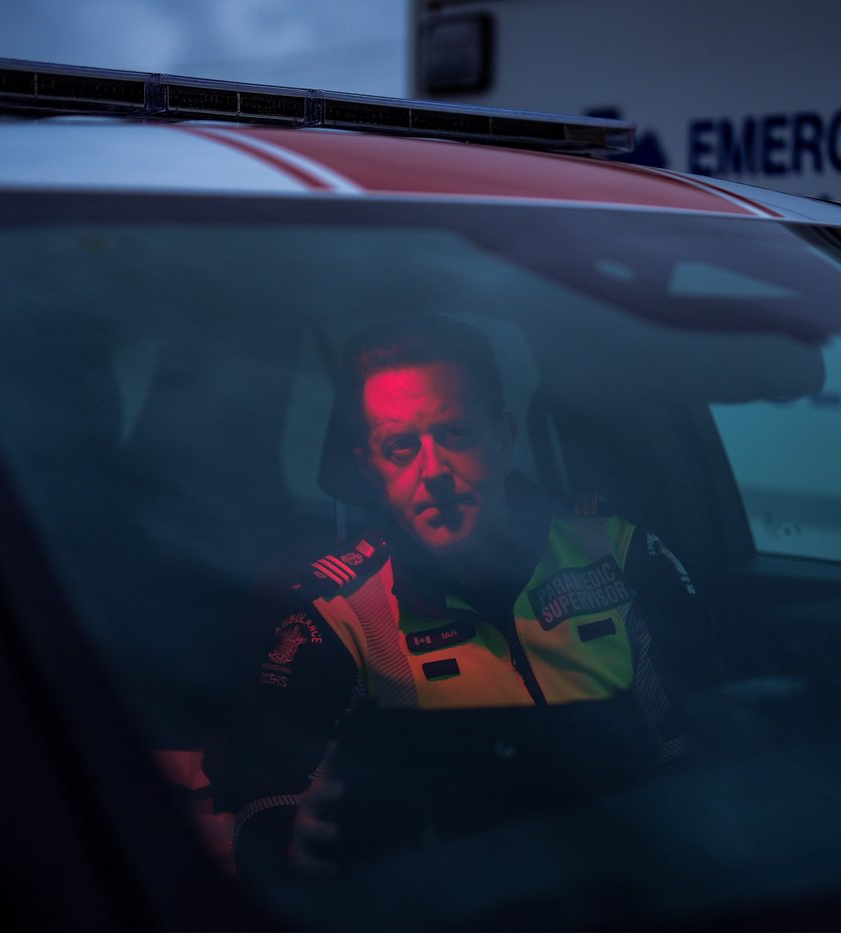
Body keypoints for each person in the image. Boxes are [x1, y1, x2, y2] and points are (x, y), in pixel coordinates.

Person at [211, 316, 724, 878]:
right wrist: (296, 838)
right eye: (401, 447)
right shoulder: (330, 614)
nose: (433, 472)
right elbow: (256, 802)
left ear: (503, 439)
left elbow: (710, 742)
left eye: (454, 434)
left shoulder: (622, 556)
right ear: (371, 468)